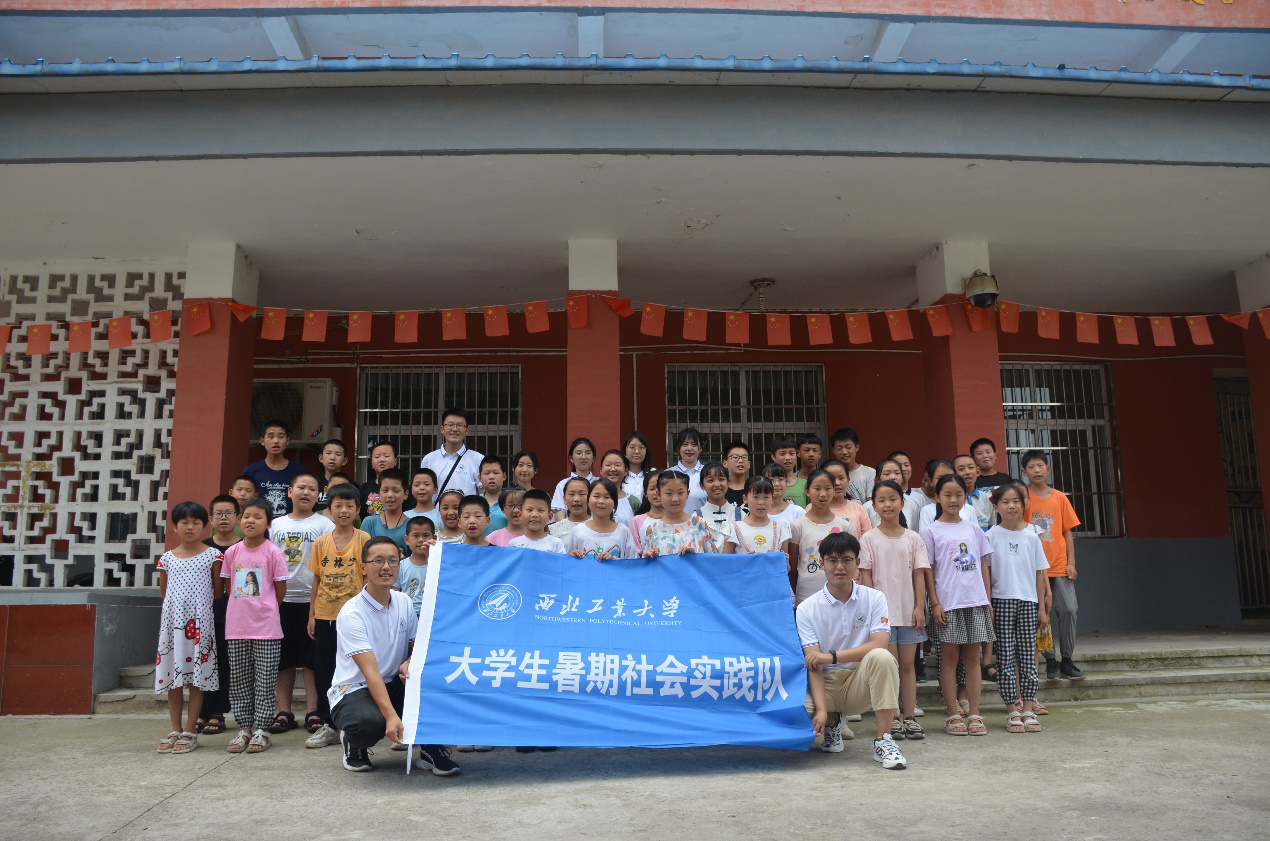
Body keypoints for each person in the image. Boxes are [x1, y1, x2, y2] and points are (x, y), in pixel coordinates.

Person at [329, 536, 459, 776]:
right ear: (363, 567)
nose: (386, 567)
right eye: (378, 561)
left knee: (439, 683)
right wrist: (391, 716)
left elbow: (416, 646)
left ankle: (430, 750)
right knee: (369, 723)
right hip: (356, 688)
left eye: (392, 561)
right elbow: (370, 672)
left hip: (394, 681)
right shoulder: (351, 614)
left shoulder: (403, 601)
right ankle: (354, 743)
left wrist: (409, 662)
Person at [797, 532, 907, 770]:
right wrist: (822, 711)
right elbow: (814, 663)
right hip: (825, 683)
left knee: (882, 657)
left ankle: (884, 741)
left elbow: (879, 643)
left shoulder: (874, 598)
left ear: (857, 562)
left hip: (860, 681)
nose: (840, 567)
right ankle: (832, 723)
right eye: (832, 560)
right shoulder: (806, 608)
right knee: (798, 714)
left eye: (846, 560)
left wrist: (832, 656)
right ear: (822, 563)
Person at [922, 474, 995, 737]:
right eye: (947, 495)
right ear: (937, 498)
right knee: (949, 660)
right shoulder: (931, 532)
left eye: (958, 495)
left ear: (965, 497)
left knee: (973, 659)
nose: (953, 500)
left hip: (975, 602)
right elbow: (928, 571)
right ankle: (952, 713)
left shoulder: (974, 529)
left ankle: (974, 713)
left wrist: (987, 601)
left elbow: (983, 566)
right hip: (948, 604)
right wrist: (935, 602)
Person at [858, 480, 929, 741]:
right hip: (882, 617)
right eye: (882, 500)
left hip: (909, 613)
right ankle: (892, 718)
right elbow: (866, 577)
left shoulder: (913, 538)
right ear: (874, 505)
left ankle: (909, 717)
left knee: (909, 665)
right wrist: (871, 612)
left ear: (902, 502)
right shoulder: (868, 539)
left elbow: (919, 575)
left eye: (893, 499)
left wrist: (919, 607)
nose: (887, 505)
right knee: (890, 667)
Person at [220, 499, 289, 754]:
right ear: (240, 520)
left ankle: (262, 730)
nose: (251, 521)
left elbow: (280, 589)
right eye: (247, 516)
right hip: (237, 627)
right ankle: (244, 728)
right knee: (239, 680)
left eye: (258, 517)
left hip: (267, 629)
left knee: (265, 681)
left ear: (268, 523)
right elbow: (229, 587)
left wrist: (265, 608)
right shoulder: (232, 553)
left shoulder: (273, 552)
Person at [267, 473, 334, 737]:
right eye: (301, 487)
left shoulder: (325, 524)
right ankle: (284, 712)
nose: (306, 493)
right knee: (283, 660)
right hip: (280, 600)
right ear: (290, 491)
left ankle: (313, 711)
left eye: (312, 489)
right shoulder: (275, 524)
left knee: (311, 661)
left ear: (319, 494)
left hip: (313, 602)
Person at [305, 483, 370, 750]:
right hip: (325, 615)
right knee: (324, 671)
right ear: (329, 511)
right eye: (338, 506)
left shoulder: (364, 539)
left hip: (354, 617)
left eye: (349, 506)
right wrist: (312, 614)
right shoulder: (321, 542)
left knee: (355, 670)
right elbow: (316, 580)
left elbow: (368, 579)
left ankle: (354, 722)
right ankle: (328, 723)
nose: (344, 511)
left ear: (357, 509)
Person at [154, 501, 221, 755]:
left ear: (204, 526)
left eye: (196, 522)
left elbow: (217, 590)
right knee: (173, 679)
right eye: (184, 522)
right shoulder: (167, 559)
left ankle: (191, 730)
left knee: (196, 679)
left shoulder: (213, 555)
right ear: (175, 526)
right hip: (173, 626)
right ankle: (175, 729)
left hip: (200, 627)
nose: (190, 527)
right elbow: (165, 593)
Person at [986, 481, 1050, 733]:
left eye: (1016, 501)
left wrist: (1042, 608)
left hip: (1028, 602)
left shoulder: (1032, 536)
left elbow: (1038, 574)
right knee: (1005, 656)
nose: (1011, 506)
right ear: (996, 507)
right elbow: (986, 574)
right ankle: (1012, 709)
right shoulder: (990, 536)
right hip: (1001, 600)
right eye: (1005, 502)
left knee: (1027, 656)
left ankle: (1029, 708)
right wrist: (989, 603)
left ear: (1024, 505)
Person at [1021, 450, 1084, 681]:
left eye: (1040, 466)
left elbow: (1067, 532)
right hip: (1036, 568)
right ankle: (1050, 660)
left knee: (1069, 609)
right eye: (1031, 467)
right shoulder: (1024, 498)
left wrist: (1071, 562)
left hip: (1059, 565)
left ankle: (1067, 659)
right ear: (1024, 472)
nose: (1036, 470)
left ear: (1048, 469)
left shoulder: (1059, 498)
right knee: (1042, 614)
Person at [197, 495, 241, 736]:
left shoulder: (245, 546)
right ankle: (202, 711)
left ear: (238, 518)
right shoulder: (202, 548)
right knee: (205, 662)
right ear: (211, 519)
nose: (224, 518)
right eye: (219, 514)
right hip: (205, 614)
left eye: (229, 513)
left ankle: (217, 712)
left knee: (225, 664)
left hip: (237, 614)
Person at [789, 468, 855, 606]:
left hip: (839, 595)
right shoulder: (797, 526)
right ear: (807, 491)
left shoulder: (844, 526)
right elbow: (793, 568)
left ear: (834, 490)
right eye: (817, 488)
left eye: (828, 488)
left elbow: (850, 563)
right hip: (806, 595)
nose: (823, 494)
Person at [640, 470, 716, 558]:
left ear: (687, 493)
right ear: (658, 494)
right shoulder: (653, 529)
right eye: (669, 493)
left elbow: (712, 559)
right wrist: (648, 557)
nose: (675, 499)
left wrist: (694, 556)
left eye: (680, 493)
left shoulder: (699, 524)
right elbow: (645, 563)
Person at [242, 419, 305, 518]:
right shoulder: (251, 471)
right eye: (271, 437)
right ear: (262, 441)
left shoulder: (299, 471)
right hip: (259, 523)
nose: (276, 441)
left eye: (281, 437)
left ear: (287, 441)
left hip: (290, 524)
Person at [419, 407, 484, 497]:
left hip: (467, 507)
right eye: (450, 425)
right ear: (442, 429)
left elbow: (483, 492)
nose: (455, 429)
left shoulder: (478, 459)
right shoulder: (429, 459)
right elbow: (423, 491)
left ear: (467, 431)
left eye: (460, 425)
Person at [568, 478, 639, 560]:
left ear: (615, 503)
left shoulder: (623, 531)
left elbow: (633, 562)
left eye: (607, 497)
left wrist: (614, 561)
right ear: (588, 501)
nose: (601, 501)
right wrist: (571, 556)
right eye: (596, 496)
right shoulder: (578, 531)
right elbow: (569, 562)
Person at [722, 476, 792, 557]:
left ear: (772, 499)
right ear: (745, 498)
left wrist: (785, 561)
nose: (761, 502)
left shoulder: (781, 528)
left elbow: (785, 563)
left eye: (766, 497)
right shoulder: (734, 529)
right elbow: (726, 561)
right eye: (756, 497)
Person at [361, 468, 412, 552]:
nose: (390, 495)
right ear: (379, 494)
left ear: (406, 494)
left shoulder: (412, 526)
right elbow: (362, 554)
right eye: (385, 491)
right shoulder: (369, 523)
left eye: (395, 491)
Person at [916, 459, 974, 534]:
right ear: (931, 481)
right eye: (940, 478)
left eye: (950, 476)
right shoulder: (927, 511)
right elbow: (925, 538)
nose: (946, 481)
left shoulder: (969, 509)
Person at [863, 459, 921, 530]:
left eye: (897, 473)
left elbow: (914, 532)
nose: (893, 477)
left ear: (902, 478)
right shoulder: (868, 507)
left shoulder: (912, 506)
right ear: (878, 479)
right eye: (887, 474)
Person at [396, 517, 435, 617]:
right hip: (407, 615)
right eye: (416, 536)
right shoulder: (401, 566)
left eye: (426, 535)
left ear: (434, 539)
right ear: (407, 540)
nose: (421, 540)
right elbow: (394, 594)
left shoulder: (438, 566)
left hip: (433, 615)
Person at [823, 459, 872, 537]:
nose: (837, 483)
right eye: (831, 479)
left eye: (841, 478)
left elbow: (868, 539)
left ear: (848, 480)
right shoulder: (813, 509)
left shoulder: (859, 509)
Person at [551, 438, 598, 515]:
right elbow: (560, 515)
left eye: (588, 453)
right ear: (571, 458)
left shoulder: (599, 483)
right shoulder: (562, 484)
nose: (583, 457)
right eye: (579, 453)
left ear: (593, 458)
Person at [696, 461, 739, 546]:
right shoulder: (696, 517)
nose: (716, 484)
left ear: (728, 482)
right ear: (702, 485)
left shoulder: (741, 514)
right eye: (710, 480)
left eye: (721, 479)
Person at [831, 428, 875, 503]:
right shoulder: (828, 474)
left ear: (856, 447)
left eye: (848, 447)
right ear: (833, 451)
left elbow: (870, 503)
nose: (844, 452)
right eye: (839, 448)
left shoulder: (870, 472)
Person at [670, 427, 709, 511]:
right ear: (678, 448)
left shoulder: (708, 473)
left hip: (704, 519)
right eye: (685, 445)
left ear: (700, 448)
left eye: (694, 445)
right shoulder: (669, 473)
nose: (689, 448)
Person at [598, 449, 640, 526]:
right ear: (601, 470)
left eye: (618, 465)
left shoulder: (633, 502)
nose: (613, 469)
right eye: (608, 465)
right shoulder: (592, 499)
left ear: (626, 471)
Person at [360, 441, 400, 519]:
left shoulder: (403, 487)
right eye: (377, 457)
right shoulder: (364, 488)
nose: (382, 460)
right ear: (372, 463)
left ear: (395, 461)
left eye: (386, 456)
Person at [761, 461, 805, 527]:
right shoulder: (755, 512)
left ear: (787, 483)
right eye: (771, 479)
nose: (777, 484)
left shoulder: (797, 512)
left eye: (781, 479)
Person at [629, 470, 662, 556]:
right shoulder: (636, 521)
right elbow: (634, 553)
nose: (656, 492)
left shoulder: (676, 519)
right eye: (652, 489)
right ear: (645, 493)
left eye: (660, 488)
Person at [549, 476, 590, 544]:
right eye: (571, 494)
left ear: (590, 498)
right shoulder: (553, 530)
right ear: (564, 499)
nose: (576, 499)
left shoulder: (600, 526)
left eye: (582, 494)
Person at [315, 438, 349, 512]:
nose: (332, 458)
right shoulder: (314, 485)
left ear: (344, 461)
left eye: (338, 454)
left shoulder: (350, 485)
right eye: (328, 453)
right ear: (321, 458)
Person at [771, 436, 805, 508]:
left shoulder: (805, 484)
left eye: (791, 453)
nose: (788, 458)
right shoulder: (766, 484)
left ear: (797, 454)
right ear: (773, 456)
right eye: (782, 454)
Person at [479, 456, 509, 533]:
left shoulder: (511, 502)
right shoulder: (475, 502)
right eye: (487, 473)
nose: (491, 477)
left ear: (504, 476)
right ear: (480, 478)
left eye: (496, 473)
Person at [622, 432, 652, 500]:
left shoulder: (652, 476)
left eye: (641, 447)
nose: (637, 451)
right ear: (625, 450)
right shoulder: (620, 477)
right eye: (632, 447)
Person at [723, 441, 751, 507]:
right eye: (735, 457)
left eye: (744, 457)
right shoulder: (720, 488)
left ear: (749, 464)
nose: (740, 461)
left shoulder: (754, 488)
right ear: (725, 463)